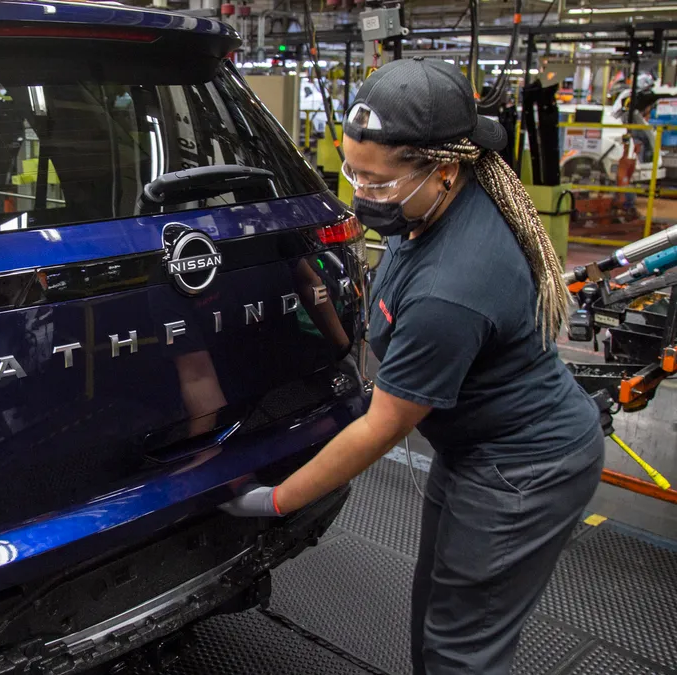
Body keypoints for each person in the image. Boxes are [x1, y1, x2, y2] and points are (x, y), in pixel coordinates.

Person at [222, 58, 603, 674]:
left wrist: (276, 501)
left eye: (376, 182)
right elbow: (374, 328)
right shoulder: (427, 206)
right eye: (352, 172)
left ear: (444, 169)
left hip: (523, 470)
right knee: (438, 614)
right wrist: (298, 268)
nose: (360, 193)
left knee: (462, 649)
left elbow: (384, 426)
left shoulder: (451, 289)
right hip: (475, 450)